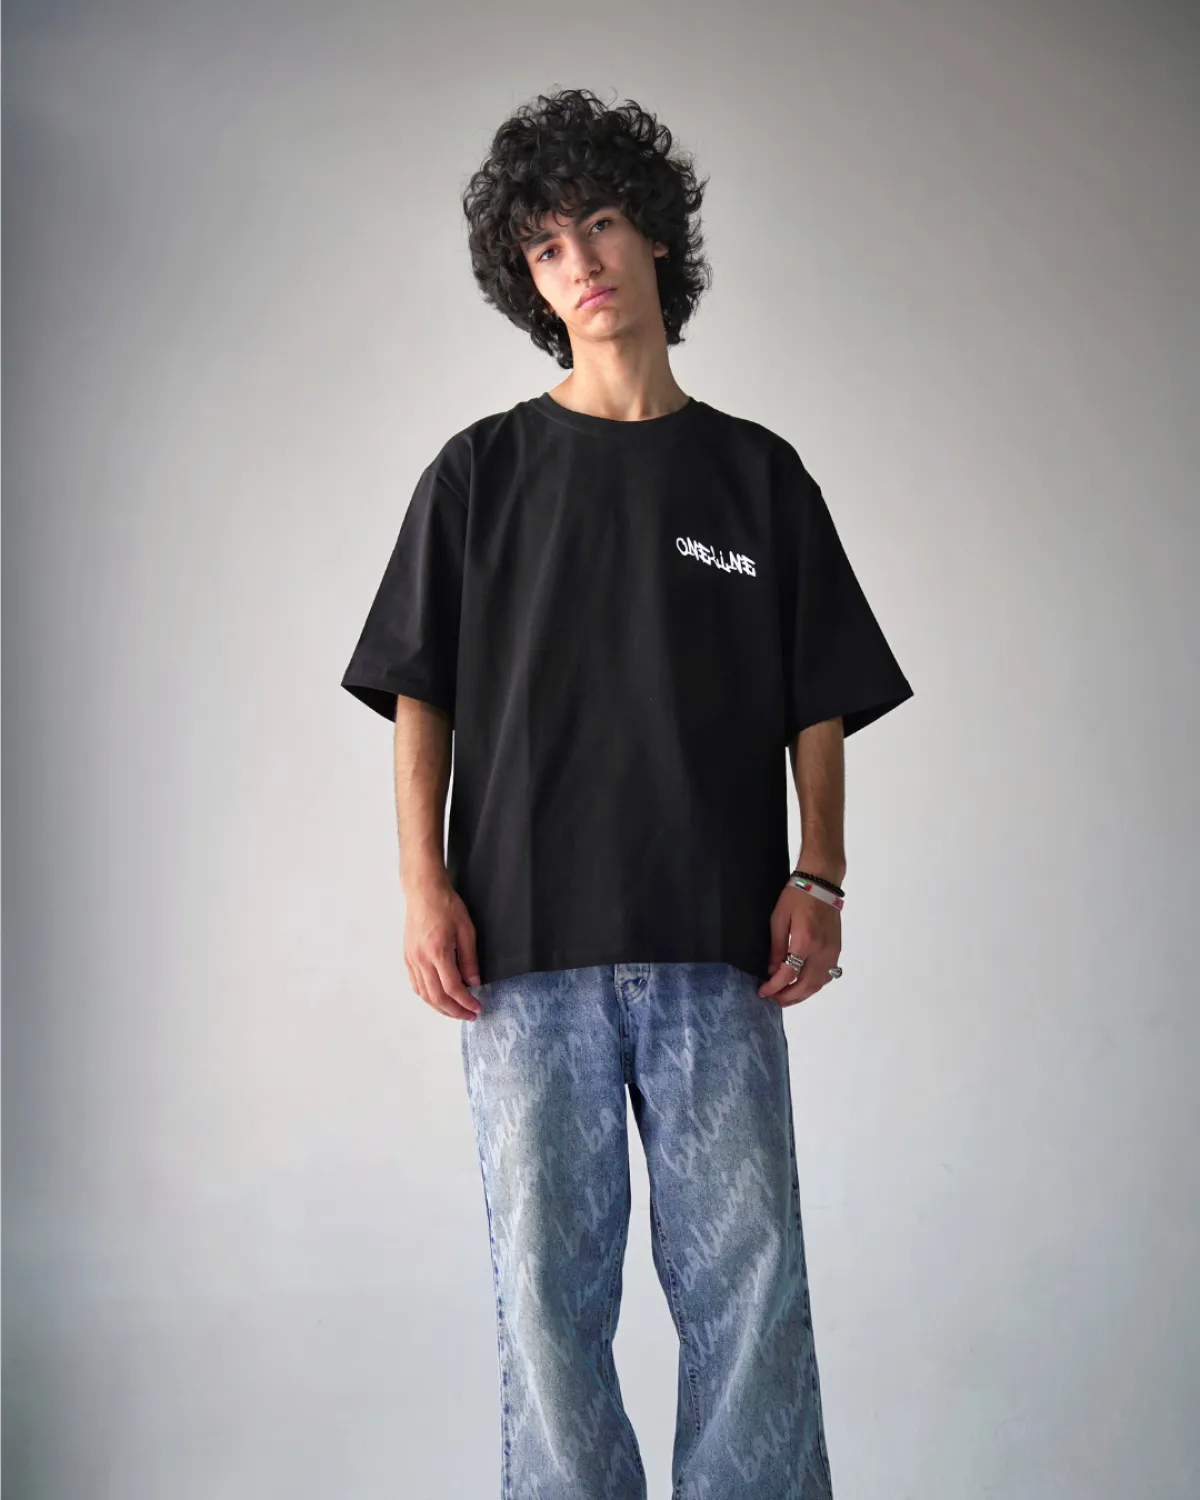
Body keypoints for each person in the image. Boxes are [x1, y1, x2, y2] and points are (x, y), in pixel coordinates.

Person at [341, 87, 913, 1500]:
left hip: (720, 945)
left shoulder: (756, 475)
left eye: (597, 223)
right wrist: (422, 885)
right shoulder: (479, 475)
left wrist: (822, 873)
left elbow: (819, 693)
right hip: (523, 952)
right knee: (548, 1306)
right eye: (545, 247)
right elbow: (421, 694)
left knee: (751, 1297)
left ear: (653, 234)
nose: (580, 262)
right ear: (528, 284)